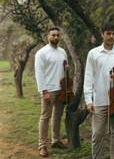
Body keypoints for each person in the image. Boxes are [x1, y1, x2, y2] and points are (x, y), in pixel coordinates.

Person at [84, 23, 114, 159]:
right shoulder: (93, 54)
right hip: (99, 100)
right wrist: (88, 100)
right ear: (102, 34)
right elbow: (88, 77)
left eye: (113, 34)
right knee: (97, 134)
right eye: (108, 33)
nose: (111, 36)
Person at [35, 27, 68, 157]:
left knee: (57, 116)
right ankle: (42, 145)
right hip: (48, 90)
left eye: (57, 35)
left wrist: (66, 68)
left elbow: (64, 67)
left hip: (61, 89)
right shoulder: (41, 53)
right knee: (45, 117)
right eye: (53, 35)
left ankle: (55, 140)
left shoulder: (63, 52)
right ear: (47, 36)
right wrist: (44, 91)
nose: (56, 37)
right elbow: (39, 74)